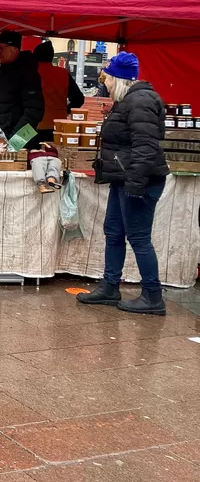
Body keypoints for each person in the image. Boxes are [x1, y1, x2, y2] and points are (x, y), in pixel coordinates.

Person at [78, 52, 170, 315]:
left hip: (139, 181)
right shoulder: (127, 100)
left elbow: (146, 145)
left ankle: (153, 296)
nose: (104, 82)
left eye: (107, 77)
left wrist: (136, 182)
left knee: (139, 238)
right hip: (123, 178)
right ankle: (110, 286)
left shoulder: (140, 101)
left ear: (118, 78)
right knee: (114, 232)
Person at [0, 31, 44, 139]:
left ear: (13, 49)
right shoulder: (2, 71)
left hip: (13, 141)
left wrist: (16, 141)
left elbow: (35, 111)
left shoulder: (28, 72)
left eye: (0, 48)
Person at [34, 41, 85, 142]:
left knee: (29, 154)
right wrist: (66, 110)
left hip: (31, 127)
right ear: (52, 57)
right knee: (54, 155)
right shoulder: (63, 73)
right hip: (58, 127)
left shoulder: (30, 72)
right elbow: (78, 99)